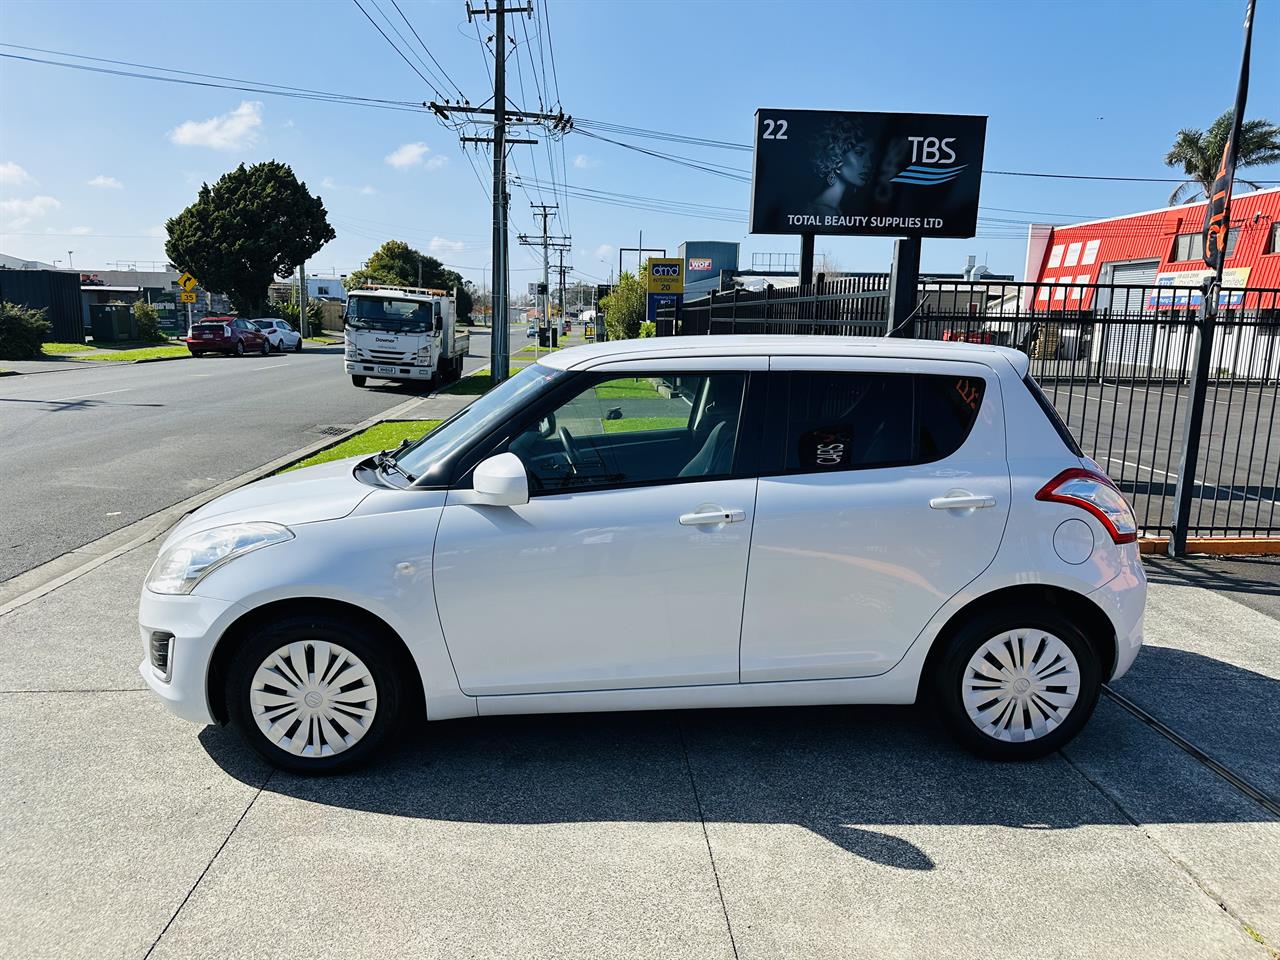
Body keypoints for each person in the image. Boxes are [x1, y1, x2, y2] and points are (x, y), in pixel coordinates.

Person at [806, 120, 870, 218]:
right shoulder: (814, 212)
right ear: (836, 154)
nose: (868, 164)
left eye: (871, 156)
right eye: (859, 153)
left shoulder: (843, 211)